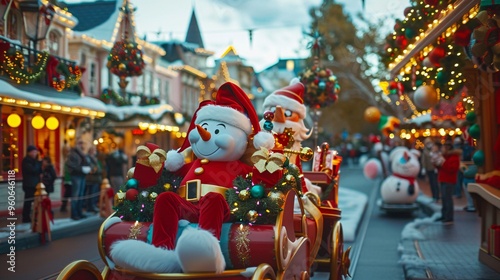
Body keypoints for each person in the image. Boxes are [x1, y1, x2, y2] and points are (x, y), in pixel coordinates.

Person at [436, 141, 461, 225]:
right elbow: (441, 167)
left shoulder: (454, 157)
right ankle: (444, 215)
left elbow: (451, 169)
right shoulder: (445, 156)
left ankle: (449, 217)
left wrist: (443, 163)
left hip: (449, 180)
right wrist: (437, 163)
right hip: (443, 179)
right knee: (443, 198)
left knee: (447, 199)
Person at [65, 139, 92, 220]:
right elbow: (70, 165)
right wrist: (81, 169)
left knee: (81, 194)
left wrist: (87, 167)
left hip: (82, 175)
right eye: (79, 143)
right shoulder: (72, 154)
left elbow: (87, 162)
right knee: (76, 195)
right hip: (76, 175)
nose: (81, 145)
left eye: (82, 143)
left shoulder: (83, 154)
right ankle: (74, 213)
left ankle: (79, 212)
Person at [21, 145, 42, 223]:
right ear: (29, 152)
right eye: (33, 152)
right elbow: (33, 170)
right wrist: (38, 162)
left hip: (35, 184)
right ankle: (25, 217)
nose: (35, 153)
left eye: (36, 152)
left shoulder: (34, 161)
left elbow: (39, 170)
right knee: (28, 202)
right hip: (29, 184)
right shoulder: (26, 160)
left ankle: (34, 216)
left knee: (35, 202)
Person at [84, 146, 102, 213]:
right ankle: (90, 207)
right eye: (94, 150)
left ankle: (93, 206)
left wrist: (98, 169)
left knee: (94, 193)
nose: (95, 151)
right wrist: (97, 169)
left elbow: (99, 168)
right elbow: (93, 169)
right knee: (91, 194)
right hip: (91, 179)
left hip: (96, 179)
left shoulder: (94, 158)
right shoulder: (88, 158)